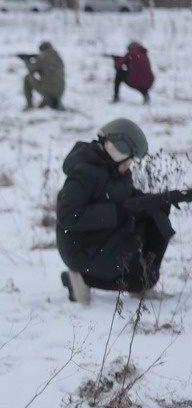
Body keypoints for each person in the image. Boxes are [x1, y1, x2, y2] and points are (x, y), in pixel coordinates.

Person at [56, 118, 173, 304]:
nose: (130, 165)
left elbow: (126, 197)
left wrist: (154, 202)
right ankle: (80, 279)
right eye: (129, 160)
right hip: (82, 247)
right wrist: (117, 212)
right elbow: (67, 215)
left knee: (157, 219)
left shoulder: (117, 170)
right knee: (141, 279)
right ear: (117, 151)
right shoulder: (85, 173)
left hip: (104, 235)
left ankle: (143, 276)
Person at [22, 41, 65, 110]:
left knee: (27, 78)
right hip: (60, 90)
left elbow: (32, 70)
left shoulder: (42, 57)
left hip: (48, 90)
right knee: (49, 82)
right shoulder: (58, 57)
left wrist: (27, 61)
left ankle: (29, 105)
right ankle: (50, 101)